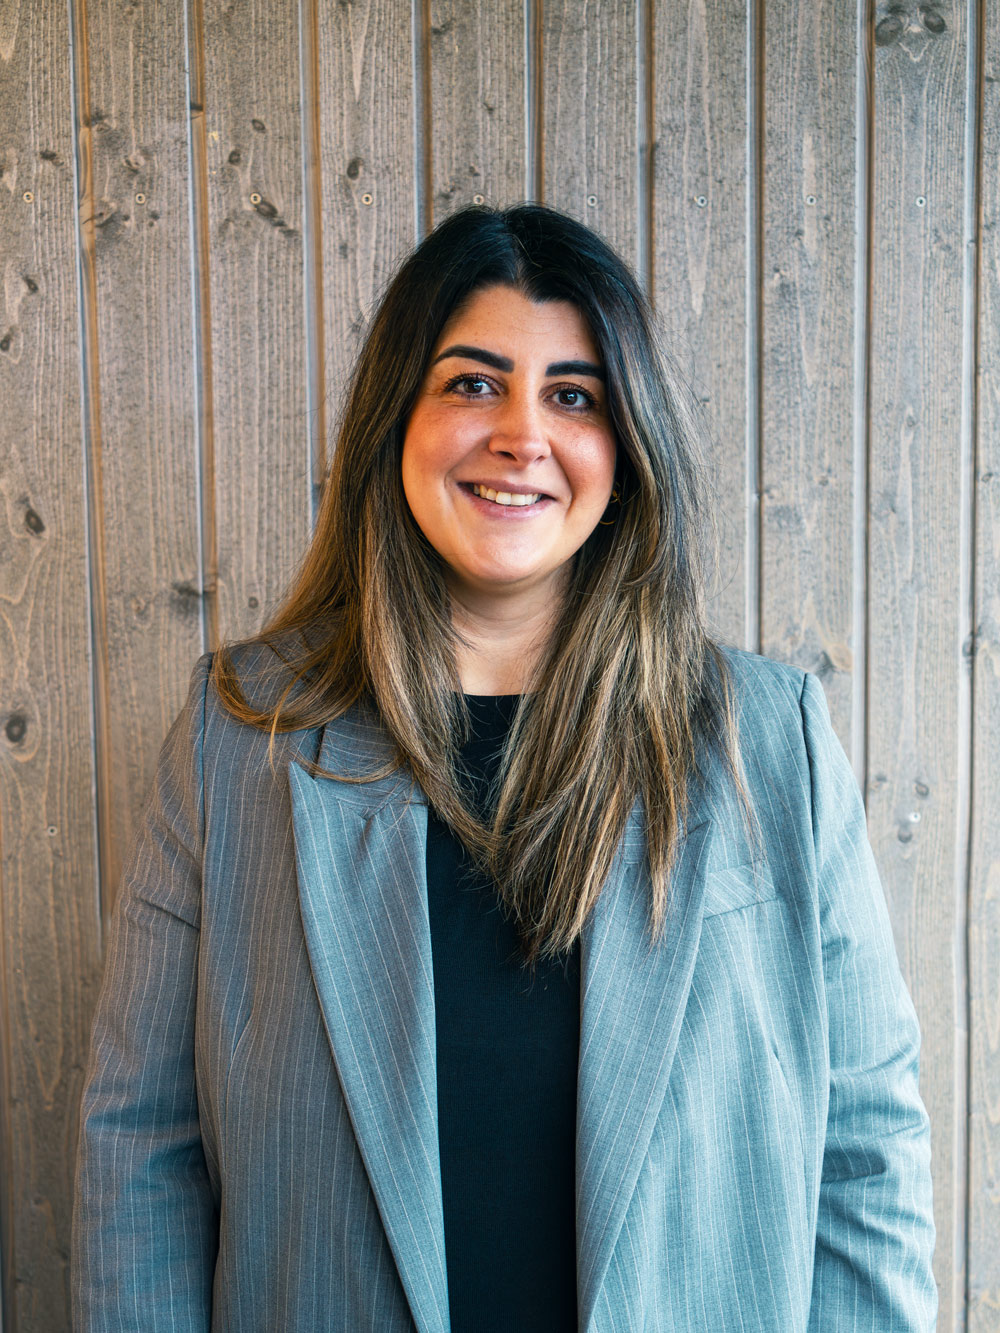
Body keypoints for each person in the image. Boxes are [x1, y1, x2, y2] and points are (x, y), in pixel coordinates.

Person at [72, 203, 937, 1332]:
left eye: (573, 397)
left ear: (627, 449)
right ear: (398, 419)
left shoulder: (770, 744)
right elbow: (141, 1146)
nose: (522, 435)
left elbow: (866, 1153)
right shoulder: (240, 739)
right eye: (473, 384)